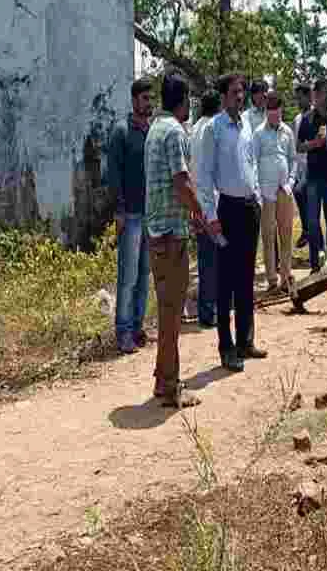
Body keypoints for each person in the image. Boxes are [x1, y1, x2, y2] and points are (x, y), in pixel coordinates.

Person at [142, 73, 206, 407]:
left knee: (168, 309)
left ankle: (163, 379)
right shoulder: (174, 133)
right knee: (171, 313)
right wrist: (200, 213)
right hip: (171, 236)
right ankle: (169, 386)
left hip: (158, 233)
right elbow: (181, 182)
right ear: (183, 100)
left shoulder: (154, 129)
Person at [199, 74, 265, 372]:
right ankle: (226, 348)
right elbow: (204, 177)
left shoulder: (247, 124)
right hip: (226, 209)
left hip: (249, 207)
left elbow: (251, 162)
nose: (241, 97)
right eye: (235, 92)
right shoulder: (214, 129)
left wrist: (258, 198)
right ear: (223, 96)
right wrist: (211, 217)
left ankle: (245, 341)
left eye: (242, 92)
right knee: (225, 283)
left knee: (246, 278)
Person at [107, 77, 154, 354]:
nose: (150, 103)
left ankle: (137, 326)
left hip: (150, 216)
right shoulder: (121, 132)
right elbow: (113, 176)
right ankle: (123, 331)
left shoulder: (151, 132)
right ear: (135, 100)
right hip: (131, 216)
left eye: (151, 99)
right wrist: (120, 211)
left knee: (144, 274)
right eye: (146, 99)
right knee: (127, 276)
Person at [297, 79, 327, 272]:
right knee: (312, 222)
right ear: (314, 95)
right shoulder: (307, 119)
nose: (324, 97)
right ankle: (315, 265)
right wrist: (314, 144)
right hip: (312, 178)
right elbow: (299, 146)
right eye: (320, 93)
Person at [254, 92, 297, 292]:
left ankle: (286, 277)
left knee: (286, 234)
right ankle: (272, 279)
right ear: (266, 112)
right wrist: (257, 190)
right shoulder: (258, 133)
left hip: (284, 190)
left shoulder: (287, 131)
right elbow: (253, 163)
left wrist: (290, 183)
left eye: (277, 112)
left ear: (281, 111)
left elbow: (293, 160)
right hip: (266, 192)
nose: (274, 116)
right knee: (268, 236)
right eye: (271, 112)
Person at [190, 91, 222, 330]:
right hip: (212, 202)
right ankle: (211, 311)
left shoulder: (194, 130)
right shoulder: (212, 129)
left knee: (205, 260)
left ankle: (206, 310)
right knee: (215, 259)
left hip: (198, 201)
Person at [291, 84, 312, 249]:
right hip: (299, 166)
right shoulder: (297, 119)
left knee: (299, 192)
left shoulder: (316, 116)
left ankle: (308, 230)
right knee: (299, 194)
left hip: (313, 165)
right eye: (296, 98)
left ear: (309, 96)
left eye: (300, 98)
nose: (298, 101)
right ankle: (309, 231)